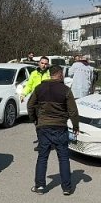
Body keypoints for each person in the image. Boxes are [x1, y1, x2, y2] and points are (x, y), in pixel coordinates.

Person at [27, 65, 80, 195]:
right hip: (60, 127)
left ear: (50, 74)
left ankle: (39, 186)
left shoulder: (39, 88)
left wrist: (34, 119)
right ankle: (66, 188)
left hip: (43, 127)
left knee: (42, 157)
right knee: (63, 157)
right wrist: (76, 126)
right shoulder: (66, 90)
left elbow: (30, 105)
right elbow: (73, 111)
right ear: (60, 74)